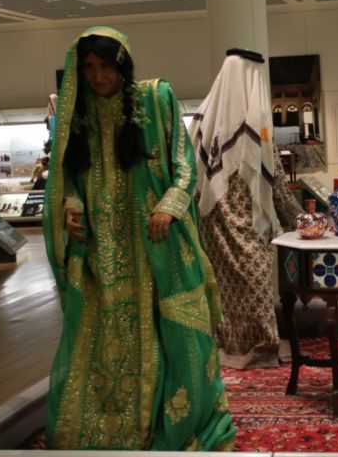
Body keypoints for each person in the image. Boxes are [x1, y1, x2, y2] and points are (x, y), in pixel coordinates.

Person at [42, 26, 236, 451]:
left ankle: (171, 423)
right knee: (106, 337)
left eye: (106, 67)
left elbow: (184, 164)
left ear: (123, 66)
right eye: (89, 68)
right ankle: (109, 428)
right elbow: (68, 176)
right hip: (101, 252)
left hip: (157, 248)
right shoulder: (78, 113)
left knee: (174, 335)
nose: (98, 77)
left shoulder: (155, 97)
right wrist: (71, 206)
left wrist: (169, 205)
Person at [189, 48, 303, 369]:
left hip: (212, 225)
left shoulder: (203, 120)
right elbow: (275, 179)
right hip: (248, 228)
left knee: (226, 289)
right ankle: (258, 348)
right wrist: (298, 220)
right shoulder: (258, 126)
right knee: (253, 289)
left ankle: (229, 345)